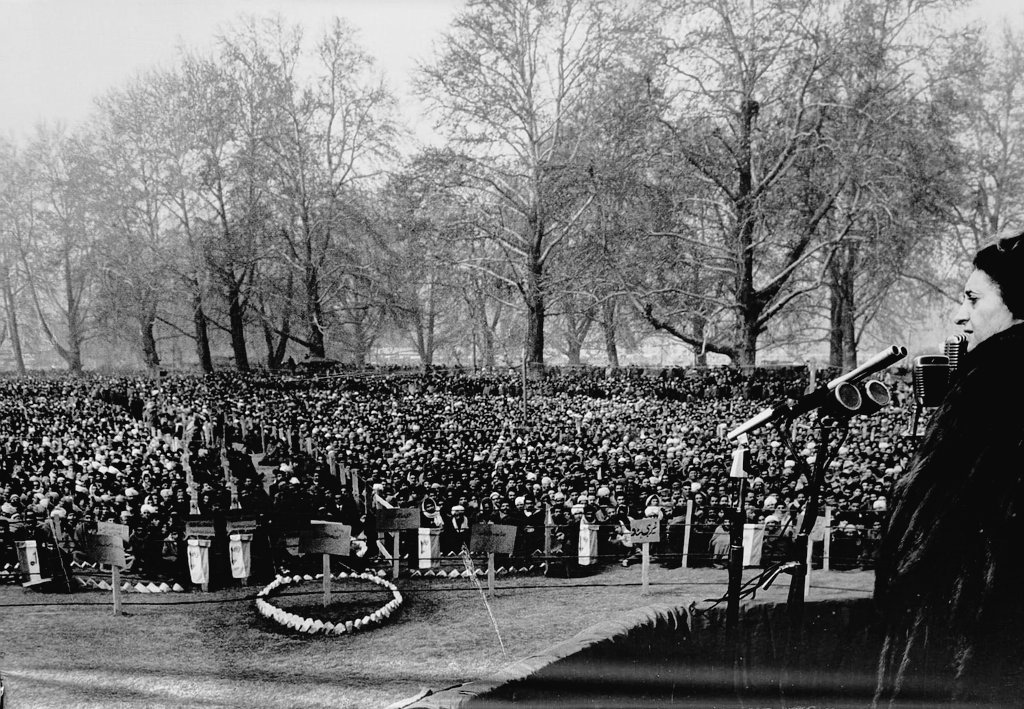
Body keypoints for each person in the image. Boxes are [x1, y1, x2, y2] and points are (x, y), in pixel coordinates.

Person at [874, 230, 1024, 706]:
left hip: (973, 630)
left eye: (973, 299)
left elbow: (919, 521)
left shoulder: (993, 378)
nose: (960, 314)